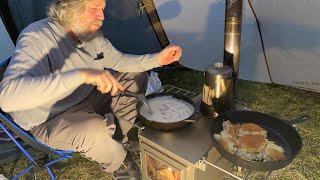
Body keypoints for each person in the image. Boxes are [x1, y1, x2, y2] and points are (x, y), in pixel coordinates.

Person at [0, 0, 182, 178]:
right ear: (71, 7)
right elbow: (8, 98)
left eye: (102, 9)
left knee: (136, 78)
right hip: (50, 117)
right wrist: (81, 75)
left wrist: (158, 59)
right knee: (95, 131)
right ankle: (120, 162)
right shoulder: (38, 36)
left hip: (85, 96)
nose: (102, 16)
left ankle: (117, 142)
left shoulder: (91, 35)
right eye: (95, 8)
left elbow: (119, 61)